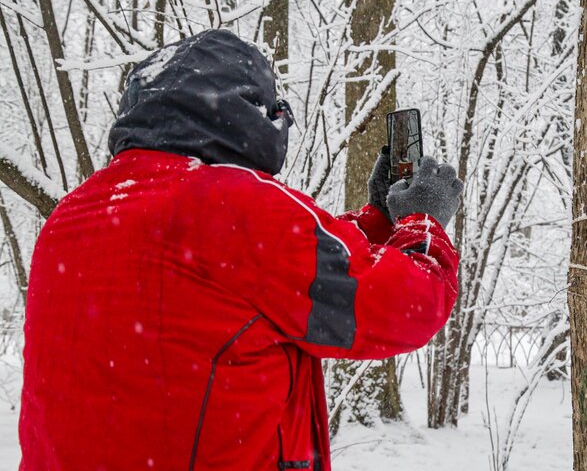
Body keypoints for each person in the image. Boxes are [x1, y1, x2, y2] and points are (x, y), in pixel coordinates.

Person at [18, 29, 464, 470]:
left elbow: (263, 281)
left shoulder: (74, 212)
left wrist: (377, 223)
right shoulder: (239, 207)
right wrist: (422, 222)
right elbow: (406, 306)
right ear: (252, 113)